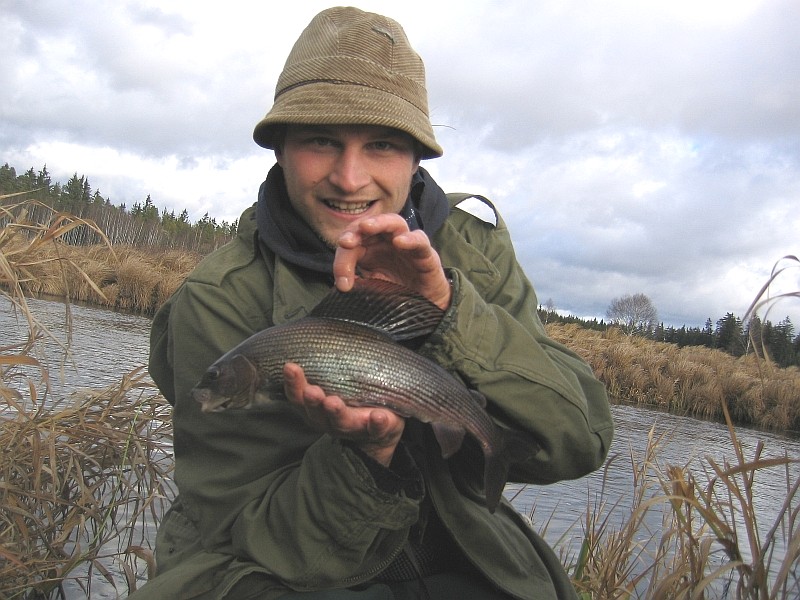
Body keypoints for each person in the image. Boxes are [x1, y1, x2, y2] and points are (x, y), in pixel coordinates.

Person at [130, 6, 613, 600]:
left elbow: (579, 442)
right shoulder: (219, 299)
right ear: (280, 148)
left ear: (418, 159)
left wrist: (449, 312)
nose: (349, 177)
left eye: (381, 144)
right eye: (320, 140)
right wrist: (368, 457)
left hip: (467, 550)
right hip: (274, 570)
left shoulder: (477, 252)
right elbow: (245, 532)